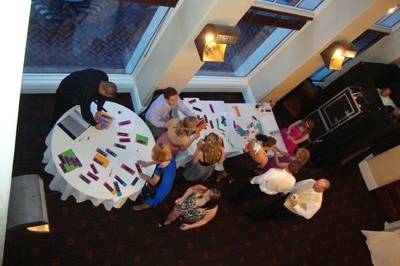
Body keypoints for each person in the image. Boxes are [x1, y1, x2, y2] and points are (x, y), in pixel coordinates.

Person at [52, 68, 117, 126]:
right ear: (103, 91)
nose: (106, 98)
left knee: (80, 101)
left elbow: (103, 96)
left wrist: (99, 110)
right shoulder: (88, 92)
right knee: (61, 108)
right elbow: (85, 112)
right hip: (66, 89)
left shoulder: (104, 77)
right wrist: (95, 124)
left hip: (79, 82)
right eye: (106, 95)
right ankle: (54, 124)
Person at [247, 178, 330, 220]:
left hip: (290, 211)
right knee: (270, 207)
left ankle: (262, 218)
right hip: (286, 198)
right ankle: (257, 215)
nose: (315, 183)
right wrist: (286, 192)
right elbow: (297, 185)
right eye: (317, 182)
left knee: (275, 216)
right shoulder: (311, 181)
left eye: (317, 185)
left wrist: (296, 205)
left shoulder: (317, 203)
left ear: (322, 189)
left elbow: (308, 215)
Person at [229, 160, 302, 206]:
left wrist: (252, 181)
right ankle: (240, 202)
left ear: (288, 164)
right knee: (251, 198)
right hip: (269, 195)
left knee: (245, 193)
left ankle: (234, 201)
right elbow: (285, 192)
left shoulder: (274, 171)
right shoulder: (293, 181)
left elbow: (260, 179)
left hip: (259, 188)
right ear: (296, 172)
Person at [132, 144, 176, 211]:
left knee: (150, 201)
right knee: (148, 194)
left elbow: (153, 182)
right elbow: (160, 159)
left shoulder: (161, 167)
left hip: (162, 189)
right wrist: (147, 164)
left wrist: (144, 176)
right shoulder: (167, 157)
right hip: (163, 180)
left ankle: (141, 207)